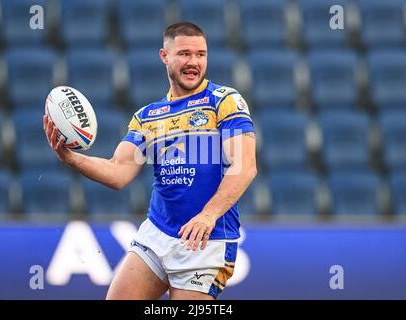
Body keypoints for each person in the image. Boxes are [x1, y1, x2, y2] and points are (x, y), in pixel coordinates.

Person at [43, 22, 257, 300]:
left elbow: (245, 166)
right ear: (164, 56)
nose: (194, 62)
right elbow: (118, 172)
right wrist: (71, 158)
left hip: (207, 239)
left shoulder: (224, 101)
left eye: (201, 54)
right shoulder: (147, 116)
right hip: (157, 234)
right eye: (184, 54)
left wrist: (208, 215)